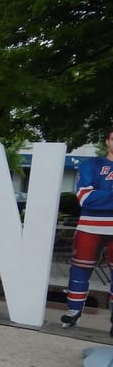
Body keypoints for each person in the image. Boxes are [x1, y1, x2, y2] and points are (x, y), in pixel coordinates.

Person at [62, 128, 113, 332]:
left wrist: (102, 194)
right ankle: (74, 311)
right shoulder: (91, 165)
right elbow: (85, 199)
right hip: (89, 228)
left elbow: (94, 197)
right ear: (107, 141)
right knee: (79, 270)